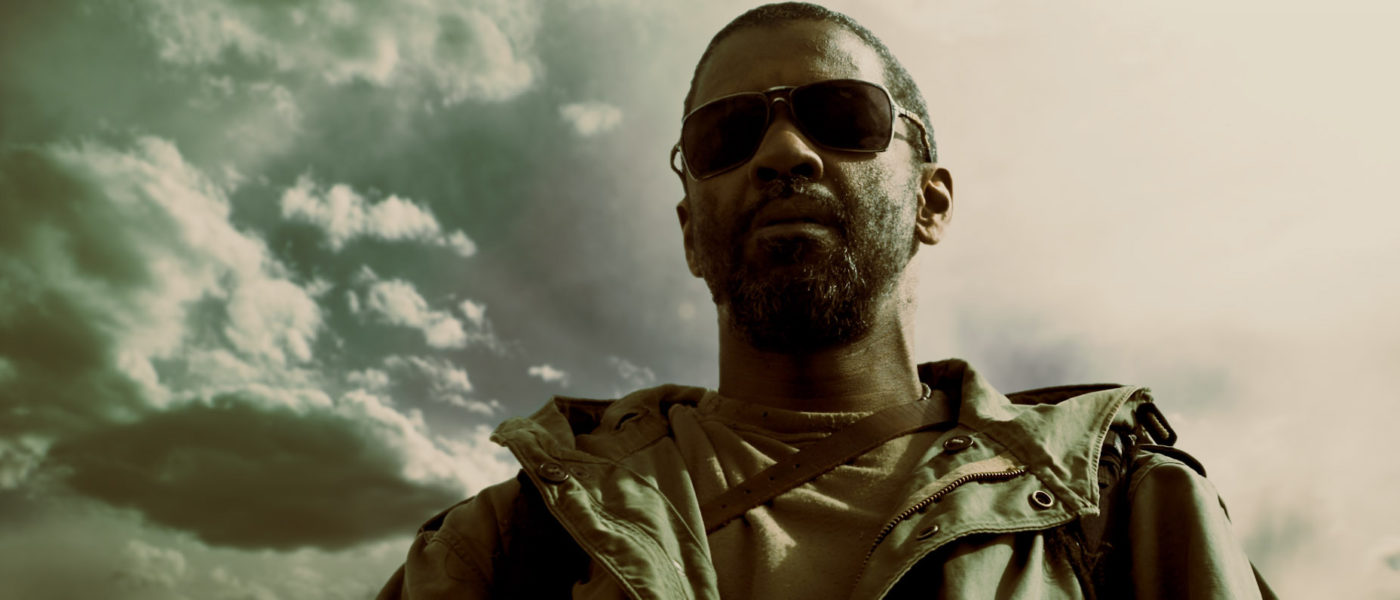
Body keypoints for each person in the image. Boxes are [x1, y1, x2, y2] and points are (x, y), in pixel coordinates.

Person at [378, 3, 1272, 598]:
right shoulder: (511, 542)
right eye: (726, 135)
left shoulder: (1122, 508)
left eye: (842, 117)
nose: (783, 153)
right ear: (690, 232)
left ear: (931, 201)